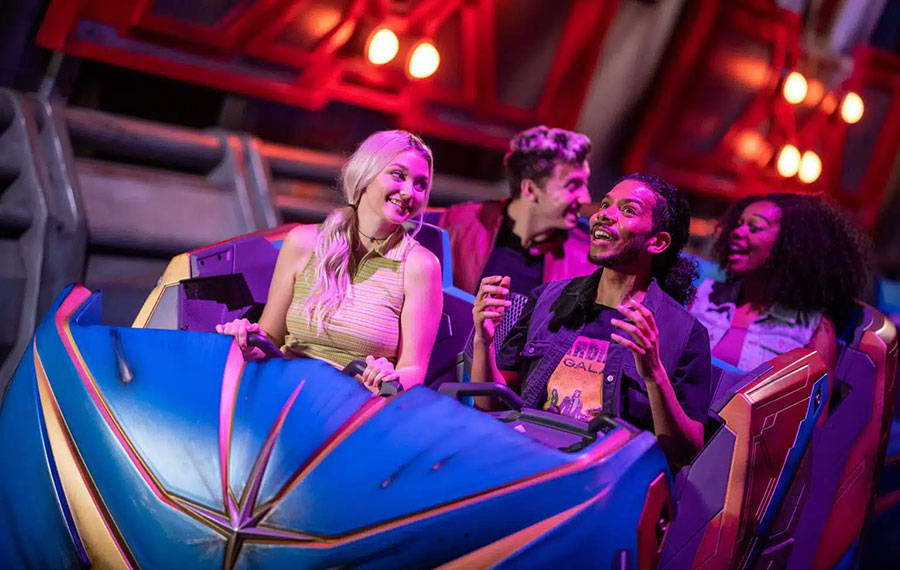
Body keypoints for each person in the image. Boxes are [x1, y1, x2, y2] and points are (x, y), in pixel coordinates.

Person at [472, 173, 712, 467]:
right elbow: (491, 404)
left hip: (602, 483)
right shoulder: (548, 299)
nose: (604, 215)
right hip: (524, 464)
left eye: (628, 210)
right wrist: (483, 341)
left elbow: (684, 453)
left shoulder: (685, 334)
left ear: (658, 242)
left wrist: (654, 374)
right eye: (606, 204)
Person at [217, 130, 443, 392]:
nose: (408, 192)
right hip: (285, 392)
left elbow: (413, 371)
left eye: (420, 184)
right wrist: (245, 339)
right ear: (366, 173)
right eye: (398, 175)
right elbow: (271, 337)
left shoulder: (420, 266)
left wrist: (390, 377)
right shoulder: (302, 242)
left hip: (355, 407)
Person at [690, 193, 872, 373]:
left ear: (790, 244)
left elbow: (815, 401)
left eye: (754, 228)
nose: (737, 232)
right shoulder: (704, 295)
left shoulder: (814, 329)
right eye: (738, 224)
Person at [437, 126, 596, 296]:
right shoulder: (458, 225)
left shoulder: (589, 255)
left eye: (584, 184)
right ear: (529, 190)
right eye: (573, 186)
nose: (585, 199)